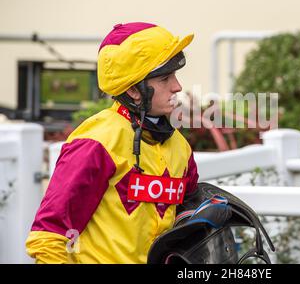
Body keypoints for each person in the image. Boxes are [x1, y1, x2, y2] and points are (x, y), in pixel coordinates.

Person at [25, 22, 199, 263]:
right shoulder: (96, 142)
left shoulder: (179, 145)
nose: (177, 86)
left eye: (175, 76)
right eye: (165, 78)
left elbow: (188, 209)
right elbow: (49, 235)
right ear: (134, 91)